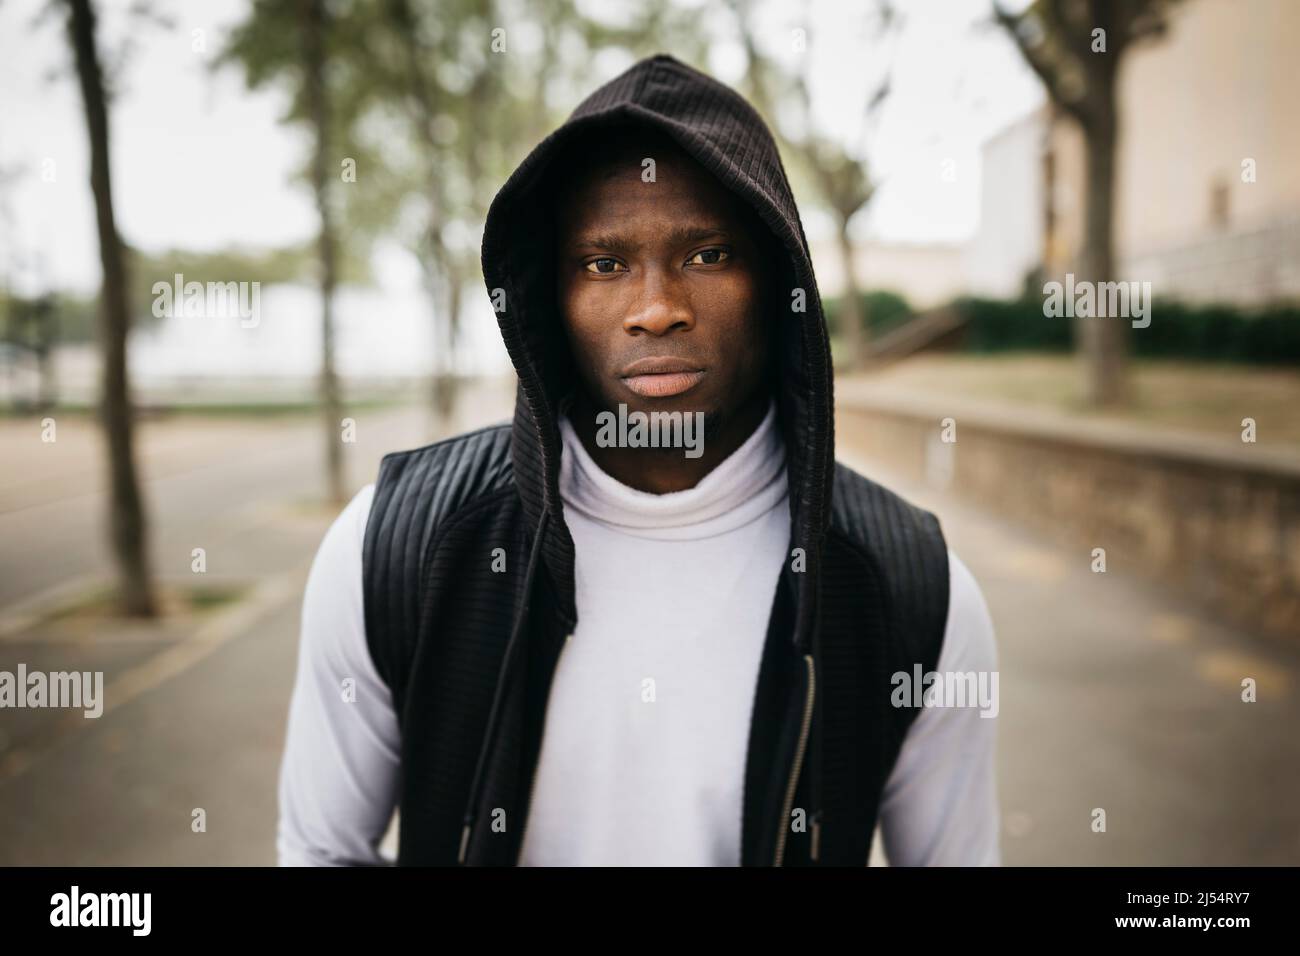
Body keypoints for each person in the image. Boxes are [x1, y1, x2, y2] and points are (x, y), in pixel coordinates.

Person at [277, 53, 999, 867]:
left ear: (779, 277)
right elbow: (321, 851)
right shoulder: (395, 542)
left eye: (709, 254)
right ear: (552, 296)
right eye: (604, 264)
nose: (656, 310)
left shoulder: (910, 586)